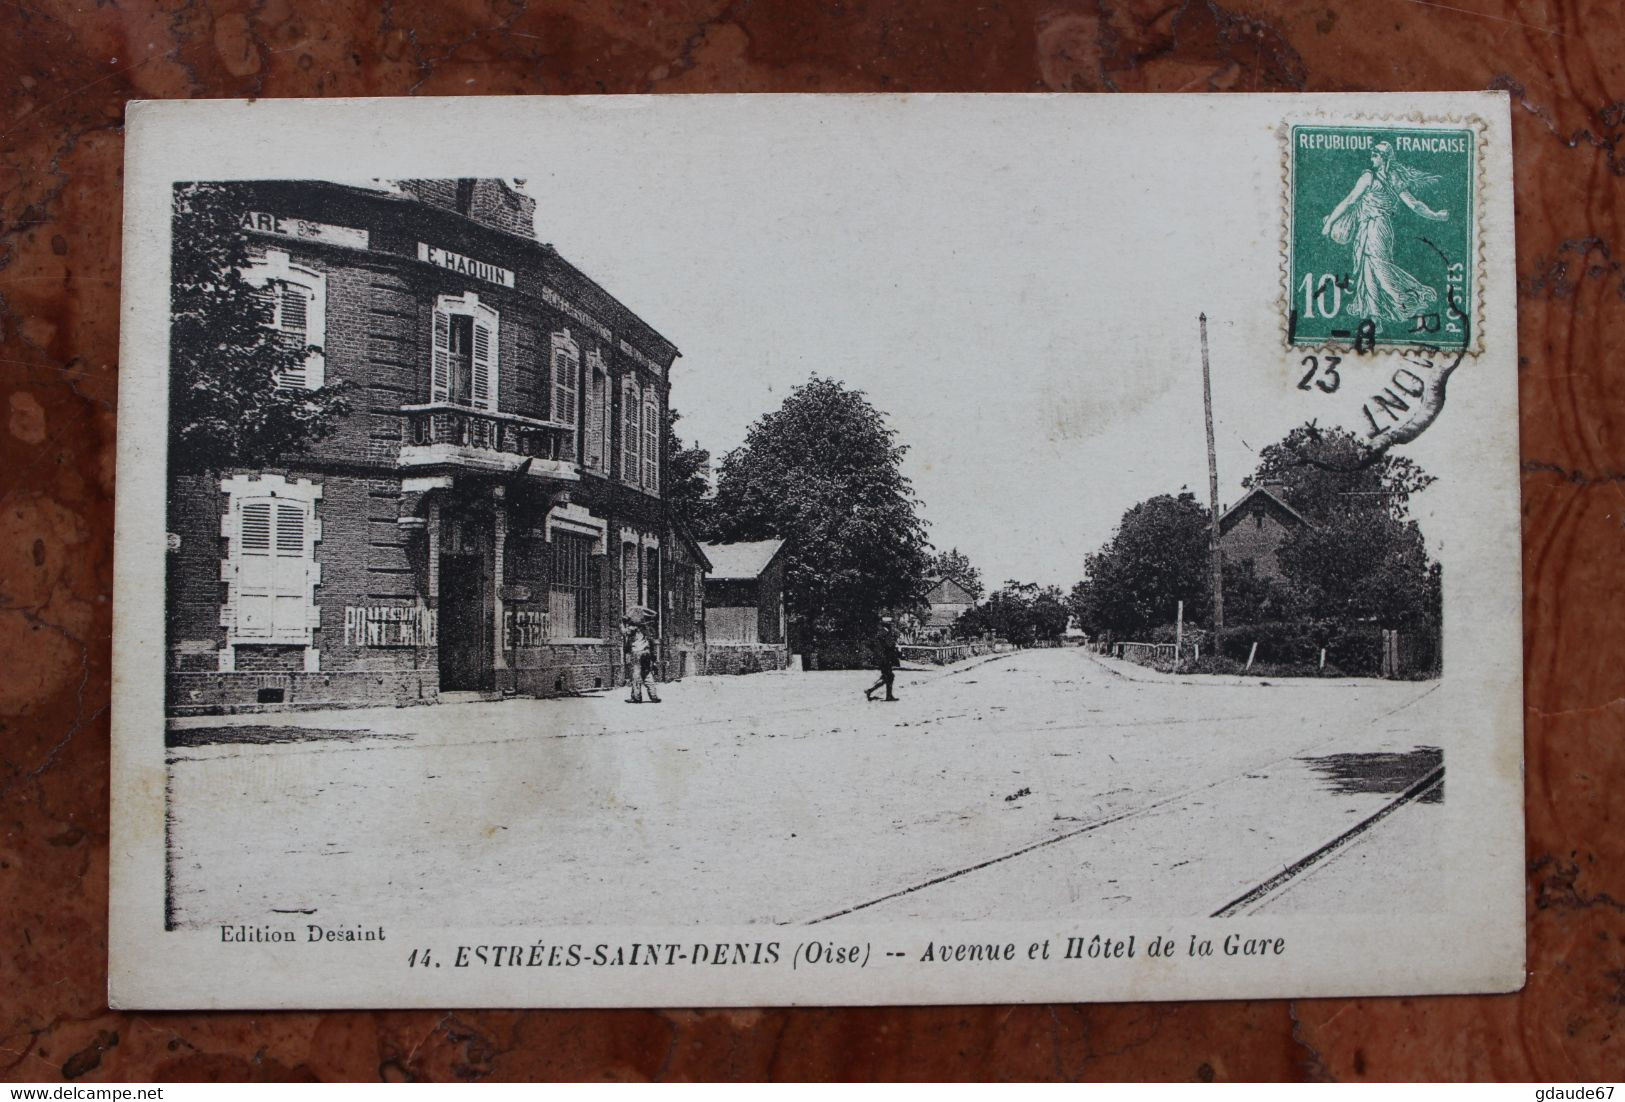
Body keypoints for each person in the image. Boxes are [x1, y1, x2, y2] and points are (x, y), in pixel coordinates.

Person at [1320, 140, 1450, 330]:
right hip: (1367, 228)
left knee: (1380, 267)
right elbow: (1349, 201)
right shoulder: (1373, 177)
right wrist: (1330, 221)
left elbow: (1414, 204)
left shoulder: (1381, 178)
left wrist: (1435, 215)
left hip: (1378, 227)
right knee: (1367, 270)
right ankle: (1375, 319)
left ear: (1385, 158)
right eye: (1372, 152)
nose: (1372, 156)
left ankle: (1409, 296)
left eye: (1376, 153)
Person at [622, 614, 661, 704]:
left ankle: (636, 697)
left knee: (636, 675)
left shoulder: (633, 628)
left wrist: (621, 623)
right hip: (646, 653)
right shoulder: (647, 629)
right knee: (647, 674)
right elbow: (651, 643)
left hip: (637, 653)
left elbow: (623, 632)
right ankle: (654, 696)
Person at [864, 618, 901, 702]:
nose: (892, 625)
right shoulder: (885, 632)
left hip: (884, 658)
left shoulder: (884, 632)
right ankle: (870, 690)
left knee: (887, 676)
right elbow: (888, 645)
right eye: (891, 623)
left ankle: (886, 695)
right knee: (889, 676)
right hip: (885, 658)